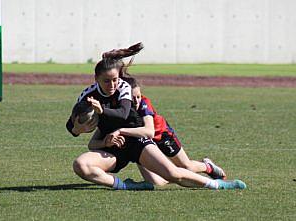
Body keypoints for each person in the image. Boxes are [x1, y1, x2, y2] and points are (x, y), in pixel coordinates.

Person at [66, 43, 247, 190]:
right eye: (106, 81)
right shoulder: (87, 95)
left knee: (173, 174)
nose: (112, 84)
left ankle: (218, 185)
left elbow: (122, 114)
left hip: (138, 141)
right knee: (81, 165)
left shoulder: (124, 87)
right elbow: (71, 127)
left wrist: (101, 111)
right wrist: (78, 128)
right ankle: (127, 186)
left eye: (114, 79)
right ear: (96, 79)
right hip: (114, 147)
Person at [113, 76, 227, 186]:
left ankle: (207, 167)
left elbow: (149, 131)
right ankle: (172, 173)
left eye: (138, 96)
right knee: (156, 182)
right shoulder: (122, 106)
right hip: (143, 142)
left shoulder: (144, 103)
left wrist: (121, 130)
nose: (136, 101)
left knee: (187, 166)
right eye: (132, 98)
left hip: (162, 135)